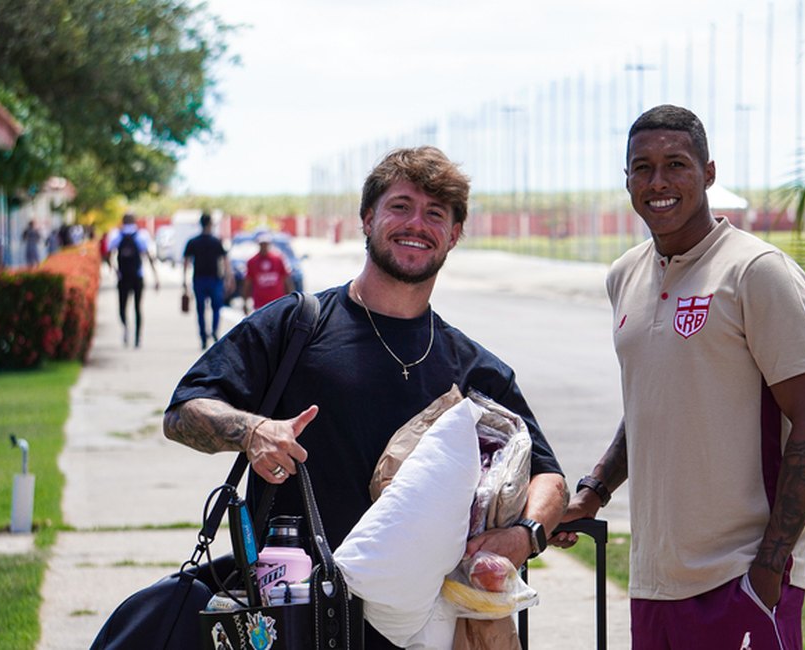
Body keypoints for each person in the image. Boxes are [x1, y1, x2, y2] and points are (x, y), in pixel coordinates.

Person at [163, 146, 568, 649]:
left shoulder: (474, 368)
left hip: (423, 630)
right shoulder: (297, 326)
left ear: (454, 234)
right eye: (400, 206)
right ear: (367, 218)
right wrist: (252, 431)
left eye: (435, 214)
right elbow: (183, 411)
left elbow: (548, 476)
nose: (415, 224)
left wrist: (524, 536)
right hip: (295, 619)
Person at [554, 105, 805, 649]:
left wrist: (769, 567)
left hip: (739, 577)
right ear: (627, 180)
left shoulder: (756, 272)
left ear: (708, 173)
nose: (657, 182)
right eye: (642, 168)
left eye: (676, 164)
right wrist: (593, 491)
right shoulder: (625, 275)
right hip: (654, 580)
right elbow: (655, 400)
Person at [107, 213, 160, 348]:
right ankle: (137, 337)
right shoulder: (141, 235)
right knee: (137, 307)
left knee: (122, 307)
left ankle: (126, 328)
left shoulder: (117, 235)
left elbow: (109, 253)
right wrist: (156, 276)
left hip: (123, 277)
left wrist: (114, 269)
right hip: (138, 276)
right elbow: (148, 256)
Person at [182, 212, 232, 349]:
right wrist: (228, 278)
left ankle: (203, 337)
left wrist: (184, 281)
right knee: (217, 308)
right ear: (210, 224)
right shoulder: (216, 241)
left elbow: (186, 262)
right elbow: (225, 261)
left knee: (201, 310)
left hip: (199, 279)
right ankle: (214, 331)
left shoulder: (193, 242)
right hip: (215, 279)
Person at [241, 232, 293, 313]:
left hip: (277, 301)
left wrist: (290, 298)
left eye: (266, 244)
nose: (264, 247)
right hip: (260, 304)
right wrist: (245, 302)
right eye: (262, 244)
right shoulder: (252, 261)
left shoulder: (278, 259)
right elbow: (248, 282)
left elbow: (286, 279)